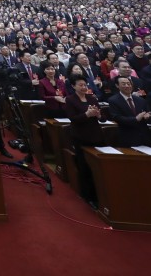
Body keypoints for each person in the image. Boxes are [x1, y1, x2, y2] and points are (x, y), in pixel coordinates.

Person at [64, 75, 104, 205]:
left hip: (96, 135)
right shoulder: (70, 100)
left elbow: (102, 119)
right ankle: (88, 196)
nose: (83, 87)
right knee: (85, 166)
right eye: (80, 85)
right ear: (73, 86)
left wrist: (98, 115)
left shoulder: (92, 98)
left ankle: (100, 193)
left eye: (85, 85)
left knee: (98, 166)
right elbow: (73, 119)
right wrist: (87, 115)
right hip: (81, 136)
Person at [106, 76, 151, 147]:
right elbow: (117, 117)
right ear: (117, 85)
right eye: (123, 84)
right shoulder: (113, 100)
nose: (127, 86)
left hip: (144, 137)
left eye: (129, 83)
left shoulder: (141, 100)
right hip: (127, 137)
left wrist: (148, 117)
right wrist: (136, 119)